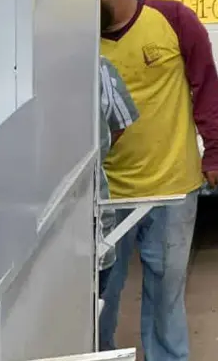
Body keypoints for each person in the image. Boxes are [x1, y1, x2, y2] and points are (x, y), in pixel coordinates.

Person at [98, 0, 218, 361]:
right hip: (106, 194)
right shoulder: (75, 38)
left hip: (172, 186)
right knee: (101, 291)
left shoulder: (173, 19)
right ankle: (99, 353)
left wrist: (215, 151)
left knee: (166, 288)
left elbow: (205, 85)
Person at [97, 54, 139, 275]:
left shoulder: (99, 67)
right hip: (93, 224)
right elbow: (120, 123)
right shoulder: (99, 65)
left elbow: (119, 125)